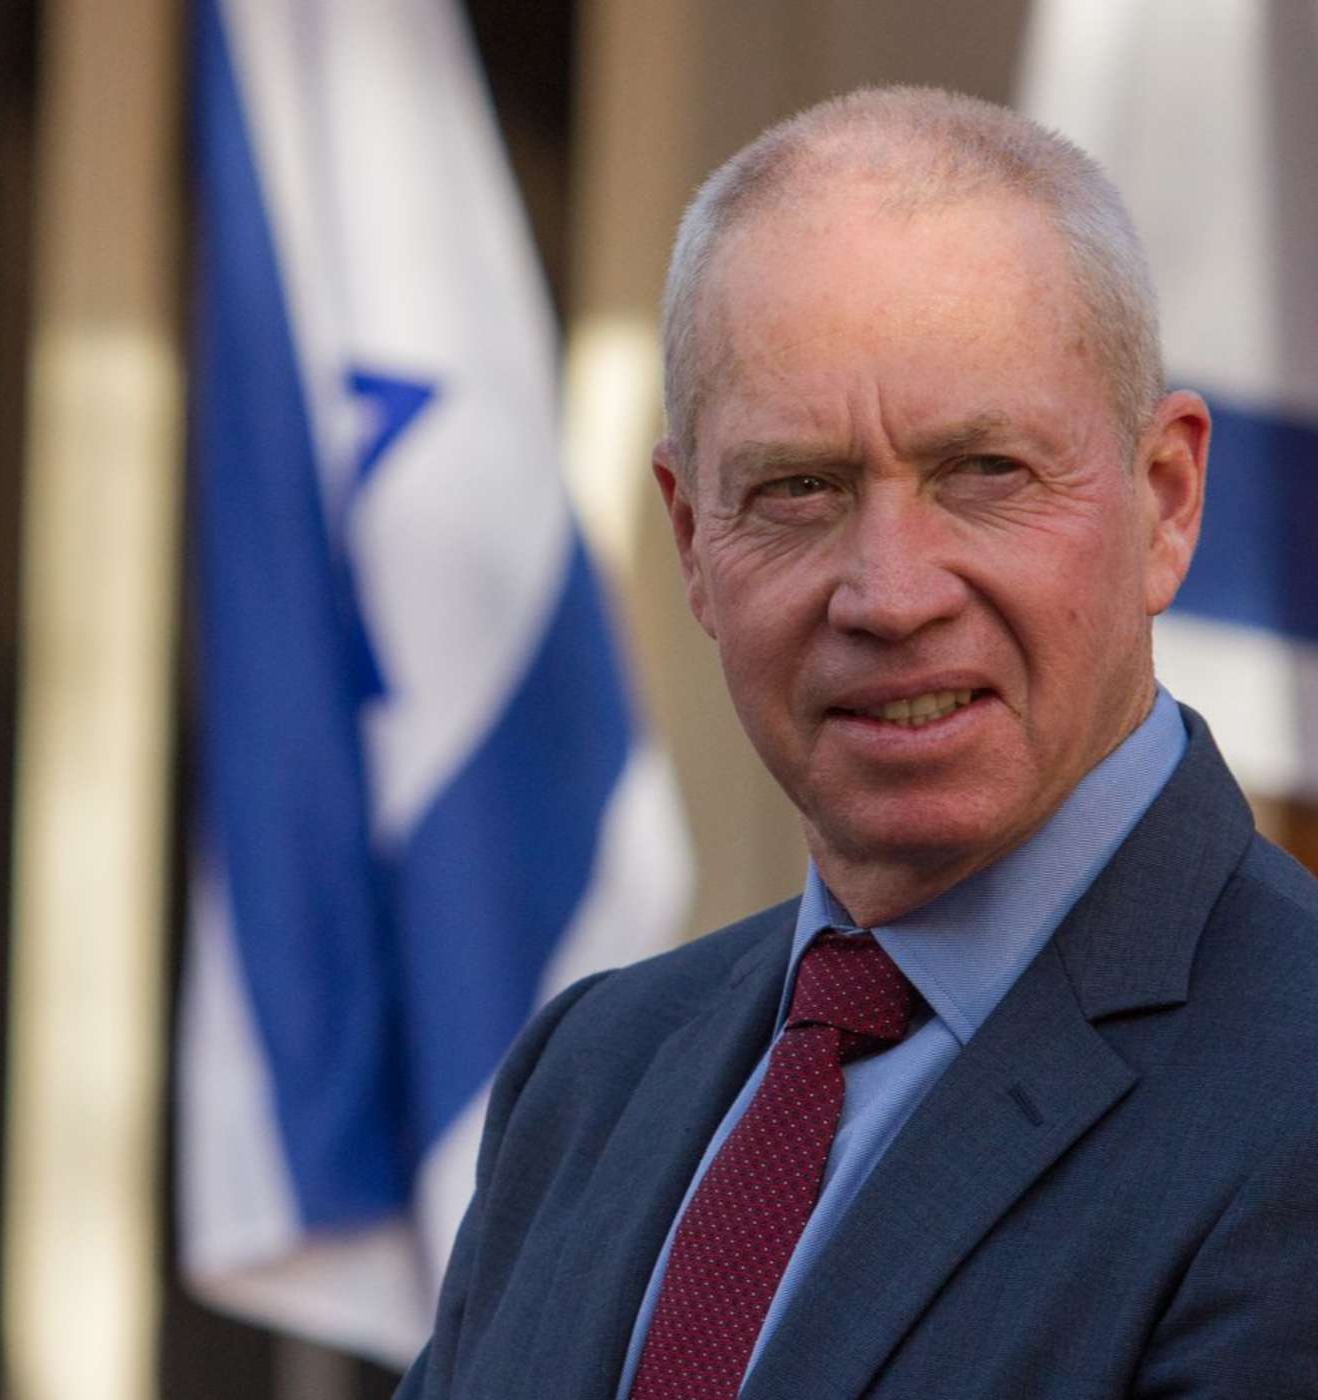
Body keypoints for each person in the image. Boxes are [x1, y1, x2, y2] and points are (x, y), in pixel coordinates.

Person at [398, 86, 1318, 1399]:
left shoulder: (1292, 1097)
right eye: (798, 490)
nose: (889, 596)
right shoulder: (588, 1077)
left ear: (1165, 502)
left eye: (985, 473)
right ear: (692, 540)